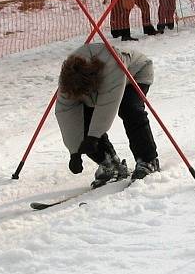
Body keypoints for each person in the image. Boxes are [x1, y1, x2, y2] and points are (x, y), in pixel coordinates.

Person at [55, 42, 159, 187]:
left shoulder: (111, 66)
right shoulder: (68, 80)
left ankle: (148, 160)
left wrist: (93, 137)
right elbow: (65, 112)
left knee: (130, 109)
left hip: (134, 74)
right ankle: (110, 163)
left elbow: (107, 105)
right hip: (93, 86)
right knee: (83, 120)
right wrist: (74, 151)